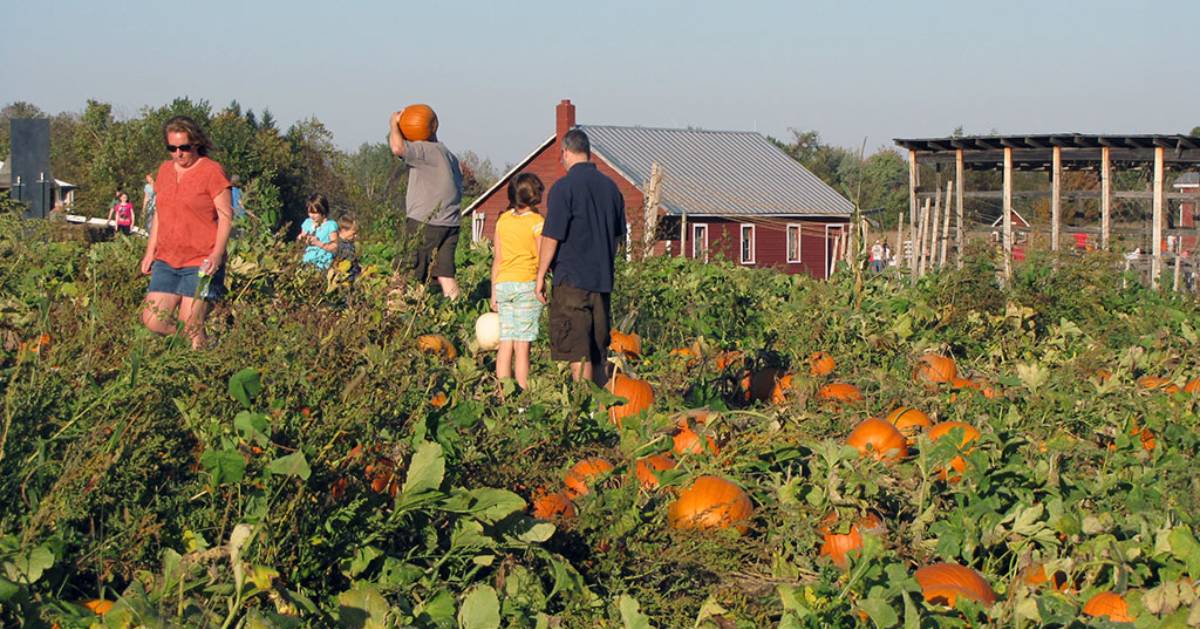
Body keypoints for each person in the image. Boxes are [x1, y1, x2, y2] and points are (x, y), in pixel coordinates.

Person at [535, 129, 626, 386]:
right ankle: (600, 413)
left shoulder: (564, 188)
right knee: (598, 352)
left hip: (572, 280)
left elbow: (552, 236)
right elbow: (619, 238)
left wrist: (540, 276)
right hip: (602, 281)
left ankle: (583, 410)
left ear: (565, 152)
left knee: (578, 351)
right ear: (587, 152)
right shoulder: (611, 188)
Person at [140, 115, 233, 349]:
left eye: (184, 148)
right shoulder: (164, 170)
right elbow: (160, 213)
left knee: (191, 321)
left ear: (196, 144)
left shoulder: (212, 171)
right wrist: (150, 251)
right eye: (172, 148)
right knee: (152, 320)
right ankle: (199, 343)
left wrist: (216, 254)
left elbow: (225, 216)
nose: (178, 153)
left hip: (200, 259)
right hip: (167, 258)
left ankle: (199, 372)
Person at [388, 107, 464, 299]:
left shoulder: (425, 150)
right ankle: (456, 312)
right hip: (451, 223)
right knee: (446, 274)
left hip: (425, 222)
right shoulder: (448, 155)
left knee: (404, 269)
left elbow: (397, 148)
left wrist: (394, 124)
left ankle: (395, 315)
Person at [491, 173, 546, 389]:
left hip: (504, 285)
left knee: (506, 344)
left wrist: (494, 292)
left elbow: (498, 258)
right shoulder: (537, 223)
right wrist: (543, 284)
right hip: (526, 284)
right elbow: (543, 258)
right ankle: (522, 400)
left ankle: (503, 396)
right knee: (522, 348)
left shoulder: (502, 220)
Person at [297, 193, 338, 270]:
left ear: (323, 211)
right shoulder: (307, 223)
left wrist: (319, 244)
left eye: (315, 213)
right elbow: (301, 238)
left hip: (323, 263)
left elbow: (335, 247)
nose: (311, 215)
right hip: (307, 261)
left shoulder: (330, 225)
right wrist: (302, 238)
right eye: (310, 212)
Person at [334, 213, 361, 282]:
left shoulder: (349, 243)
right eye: (353, 233)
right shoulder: (341, 246)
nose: (355, 236)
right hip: (347, 277)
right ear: (343, 230)